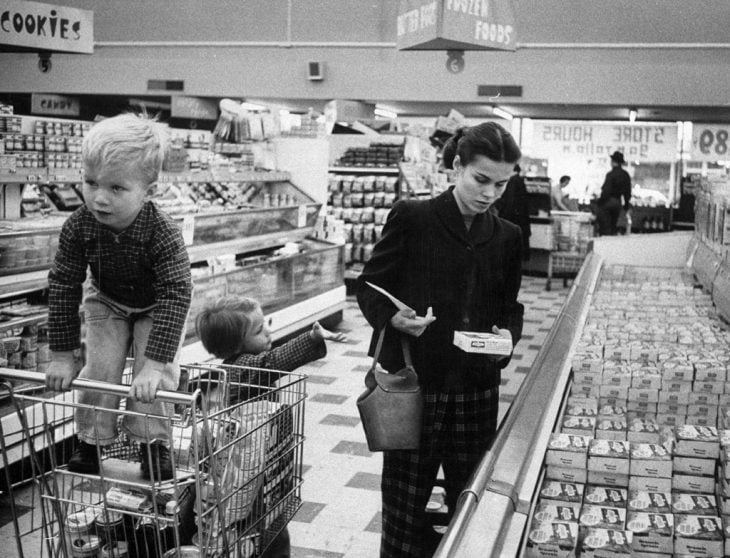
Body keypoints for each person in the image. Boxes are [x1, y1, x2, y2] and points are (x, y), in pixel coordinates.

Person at [356, 122, 524, 558]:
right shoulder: (414, 217)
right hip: (417, 386)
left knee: (469, 502)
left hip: (476, 389)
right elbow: (370, 286)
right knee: (404, 508)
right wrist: (393, 318)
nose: (489, 193)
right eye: (480, 179)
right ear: (456, 167)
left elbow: (511, 306)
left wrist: (508, 337)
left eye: (501, 184)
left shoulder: (507, 236)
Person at [45, 113, 193, 481]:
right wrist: (63, 357)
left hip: (157, 305)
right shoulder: (78, 225)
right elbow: (64, 285)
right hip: (106, 299)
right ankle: (91, 441)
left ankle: (152, 444)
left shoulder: (163, 233)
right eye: (91, 182)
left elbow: (176, 295)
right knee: (101, 368)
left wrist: (154, 364)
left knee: (154, 380)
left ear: (150, 191)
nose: (99, 197)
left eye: (116, 188)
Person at [195, 296, 346, 558]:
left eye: (266, 323)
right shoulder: (241, 368)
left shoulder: (242, 364)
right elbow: (272, 363)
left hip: (259, 467)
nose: (268, 331)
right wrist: (310, 339)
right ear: (235, 346)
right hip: (249, 477)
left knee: (269, 525)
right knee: (263, 530)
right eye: (258, 330)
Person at [495, 163, 531, 260]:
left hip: (512, 221)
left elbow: (509, 203)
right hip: (520, 221)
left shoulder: (512, 182)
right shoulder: (519, 181)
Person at [597, 151, 632, 235]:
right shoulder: (625, 175)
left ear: (613, 162)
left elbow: (606, 191)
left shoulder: (611, 174)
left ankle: (604, 243)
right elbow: (628, 192)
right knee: (613, 225)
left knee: (604, 227)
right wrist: (626, 205)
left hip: (608, 202)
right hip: (618, 203)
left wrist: (599, 202)